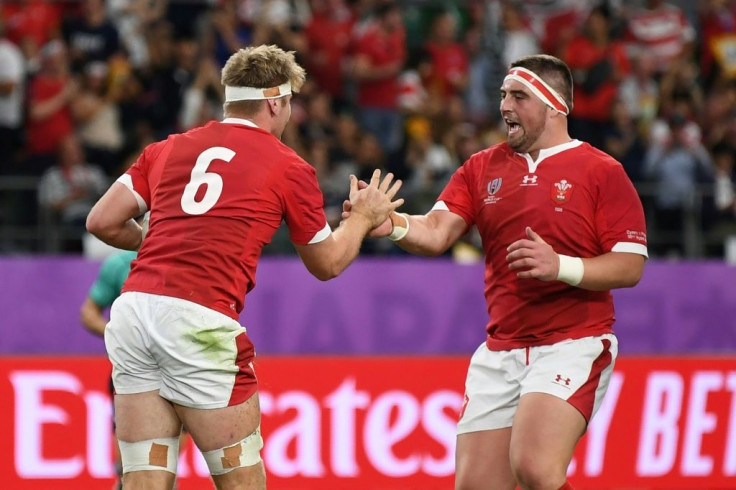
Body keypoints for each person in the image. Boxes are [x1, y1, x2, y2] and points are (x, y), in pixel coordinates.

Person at [85, 44, 403, 490]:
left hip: (134, 312)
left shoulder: (168, 148)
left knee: (145, 481)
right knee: (243, 483)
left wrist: (156, 240)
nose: (291, 113)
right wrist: (364, 219)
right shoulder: (288, 165)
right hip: (199, 322)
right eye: (290, 102)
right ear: (275, 102)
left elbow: (101, 220)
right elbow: (328, 263)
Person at [345, 54, 648, 490]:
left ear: (554, 105)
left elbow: (630, 264)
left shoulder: (602, 171)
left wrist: (559, 266)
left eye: (519, 96)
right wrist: (388, 224)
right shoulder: (480, 167)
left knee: (536, 469)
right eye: (503, 94)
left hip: (573, 343)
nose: (505, 105)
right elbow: (434, 232)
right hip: (501, 351)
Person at [80, 249, 137, 490]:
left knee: (166, 466)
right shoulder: (121, 264)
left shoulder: (188, 256)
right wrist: (117, 335)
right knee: (131, 470)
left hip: (178, 370)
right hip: (131, 371)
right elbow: (89, 312)